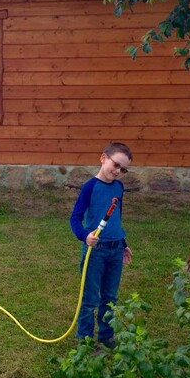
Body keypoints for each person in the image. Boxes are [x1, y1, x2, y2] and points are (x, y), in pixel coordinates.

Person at [69, 142, 133, 349]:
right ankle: (85, 341)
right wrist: (85, 236)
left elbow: (117, 218)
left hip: (115, 251)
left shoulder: (119, 187)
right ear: (103, 158)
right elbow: (75, 218)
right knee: (90, 298)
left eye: (123, 169)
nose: (118, 171)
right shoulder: (90, 187)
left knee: (110, 297)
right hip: (95, 251)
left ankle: (106, 336)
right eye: (116, 165)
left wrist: (123, 243)